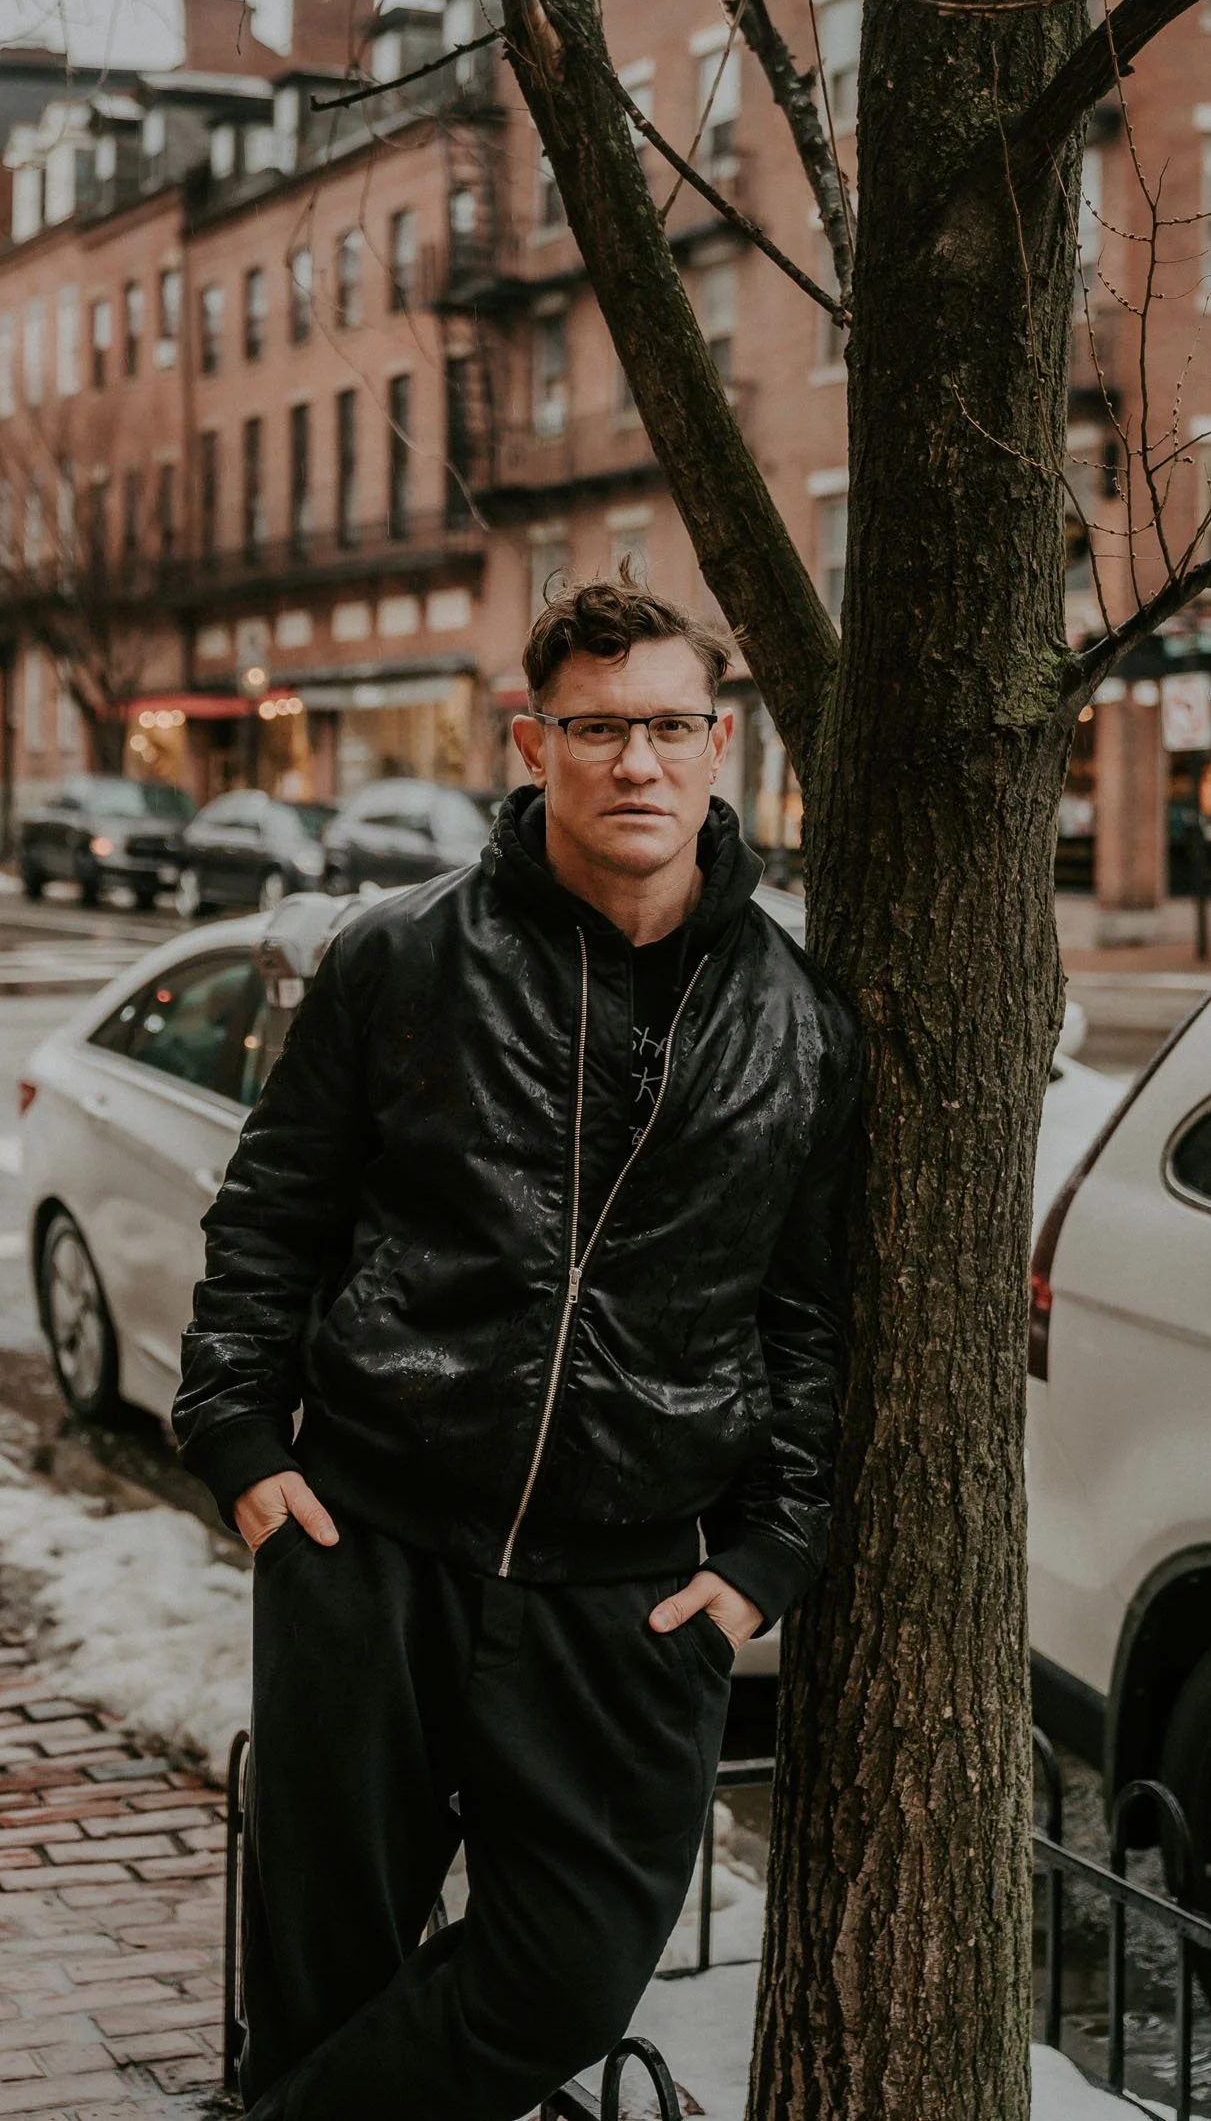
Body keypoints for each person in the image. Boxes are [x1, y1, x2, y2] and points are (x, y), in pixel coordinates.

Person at [173, 574, 861, 2121]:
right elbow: (271, 1212)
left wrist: (774, 1553)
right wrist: (238, 1445)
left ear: (718, 742)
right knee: (322, 1980)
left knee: (564, 1973)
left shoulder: (798, 1020)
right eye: (598, 727)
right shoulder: (398, 960)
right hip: (374, 1540)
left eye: (669, 726)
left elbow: (805, 1314)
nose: (636, 762)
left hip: (626, 1587)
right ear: (531, 742)